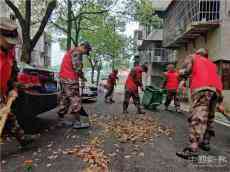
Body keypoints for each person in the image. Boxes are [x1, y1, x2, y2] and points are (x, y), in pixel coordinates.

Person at [176, 48, 224, 160]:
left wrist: (180, 75)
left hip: (202, 89)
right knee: (209, 118)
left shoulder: (193, 57)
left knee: (198, 118)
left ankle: (192, 149)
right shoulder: (212, 64)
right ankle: (205, 142)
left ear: (198, 54)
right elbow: (217, 78)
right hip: (215, 91)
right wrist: (220, 99)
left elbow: (186, 71)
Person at [0, 17, 33, 148]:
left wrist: (14, 86)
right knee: (4, 112)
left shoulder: (9, 51)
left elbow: (12, 70)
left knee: (8, 114)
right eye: (9, 41)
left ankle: (22, 138)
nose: (12, 44)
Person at [58, 42, 92, 129]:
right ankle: (77, 122)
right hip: (70, 79)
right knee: (75, 99)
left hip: (63, 77)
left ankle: (61, 121)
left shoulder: (71, 51)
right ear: (83, 47)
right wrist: (83, 77)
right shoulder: (77, 52)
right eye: (85, 51)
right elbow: (77, 67)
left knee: (64, 98)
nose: (84, 54)